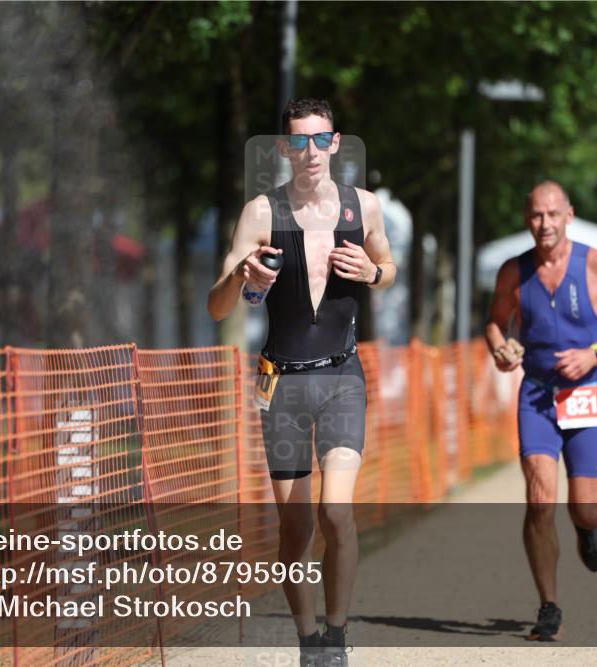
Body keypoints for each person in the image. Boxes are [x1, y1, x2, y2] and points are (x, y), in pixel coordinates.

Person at [207, 98, 395, 666]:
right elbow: (218, 307)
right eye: (299, 141)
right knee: (294, 531)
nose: (310, 152)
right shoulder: (261, 214)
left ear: (335, 143)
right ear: (285, 148)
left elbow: (388, 268)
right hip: (280, 385)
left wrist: (373, 272)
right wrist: (242, 276)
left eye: (321, 140)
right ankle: (309, 641)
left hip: (341, 377)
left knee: (334, 513)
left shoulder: (363, 208)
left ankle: (336, 635)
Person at [486, 181, 597, 642]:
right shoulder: (514, 271)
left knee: (587, 509)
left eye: (553, 214)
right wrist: (501, 349)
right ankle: (549, 605)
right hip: (537, 395)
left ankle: (587, 529)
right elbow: (496, 323)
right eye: (536, 215)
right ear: (526, 218)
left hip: (587, 392)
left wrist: (594, 352)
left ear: (569, 214)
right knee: (538, 498)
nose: (545, 224)